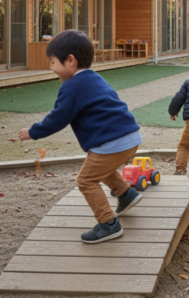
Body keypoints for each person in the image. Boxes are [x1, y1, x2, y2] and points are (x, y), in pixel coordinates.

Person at [18, 30, 143, 244]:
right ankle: (125, 193)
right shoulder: (95, 78)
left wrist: (33, 132)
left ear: (70, 61)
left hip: (112, 141)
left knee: (86, 180)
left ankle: (108, 223)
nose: (51, 68)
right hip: (130, 136)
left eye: (53, 62)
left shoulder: (71, 87)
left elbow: (58, 118)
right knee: (100, 168)